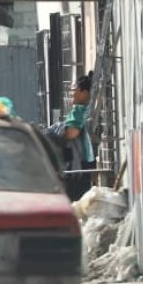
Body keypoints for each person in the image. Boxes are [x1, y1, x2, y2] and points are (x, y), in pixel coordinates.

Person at [61, 70, 96, 201]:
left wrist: (59, 134)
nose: (73, 94)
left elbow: (72, 133)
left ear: (85, 93)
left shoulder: (78, 110)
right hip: (87, 162)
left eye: (76, 90)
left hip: (79, 164)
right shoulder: (87, 109)